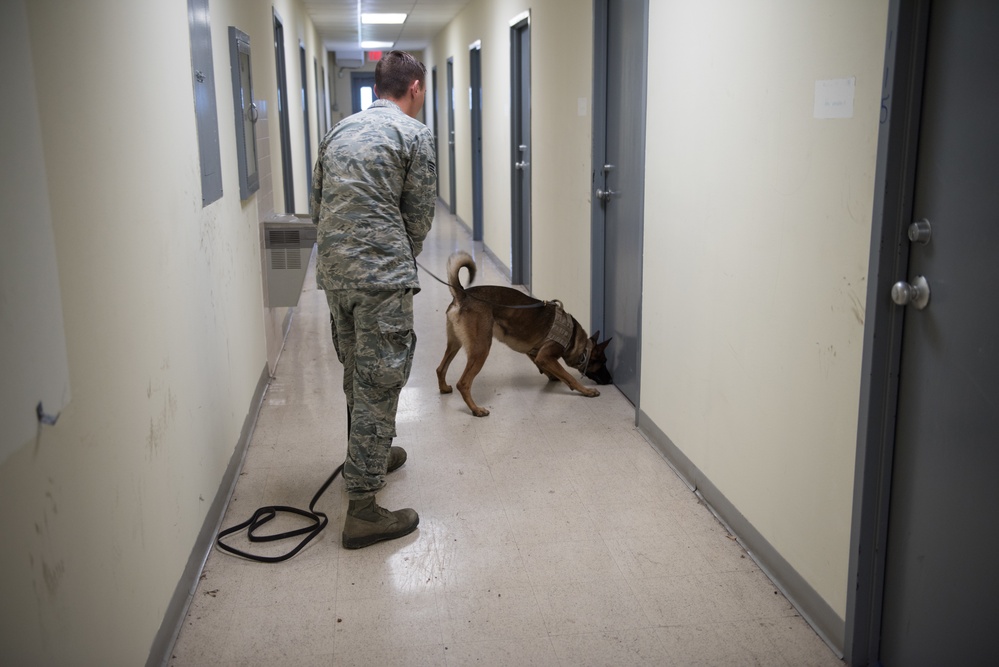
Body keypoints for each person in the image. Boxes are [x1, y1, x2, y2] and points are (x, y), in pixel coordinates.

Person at [310, 51, 437, 549]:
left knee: (355, 372)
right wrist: (396, 255)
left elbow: (319, 202)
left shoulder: (338, 131)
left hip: (336, 275)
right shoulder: (414, 134)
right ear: (415, 87)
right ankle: (363, 509)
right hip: (381, 276)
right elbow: (419, 215)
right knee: (380, 380)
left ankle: (371, 451)